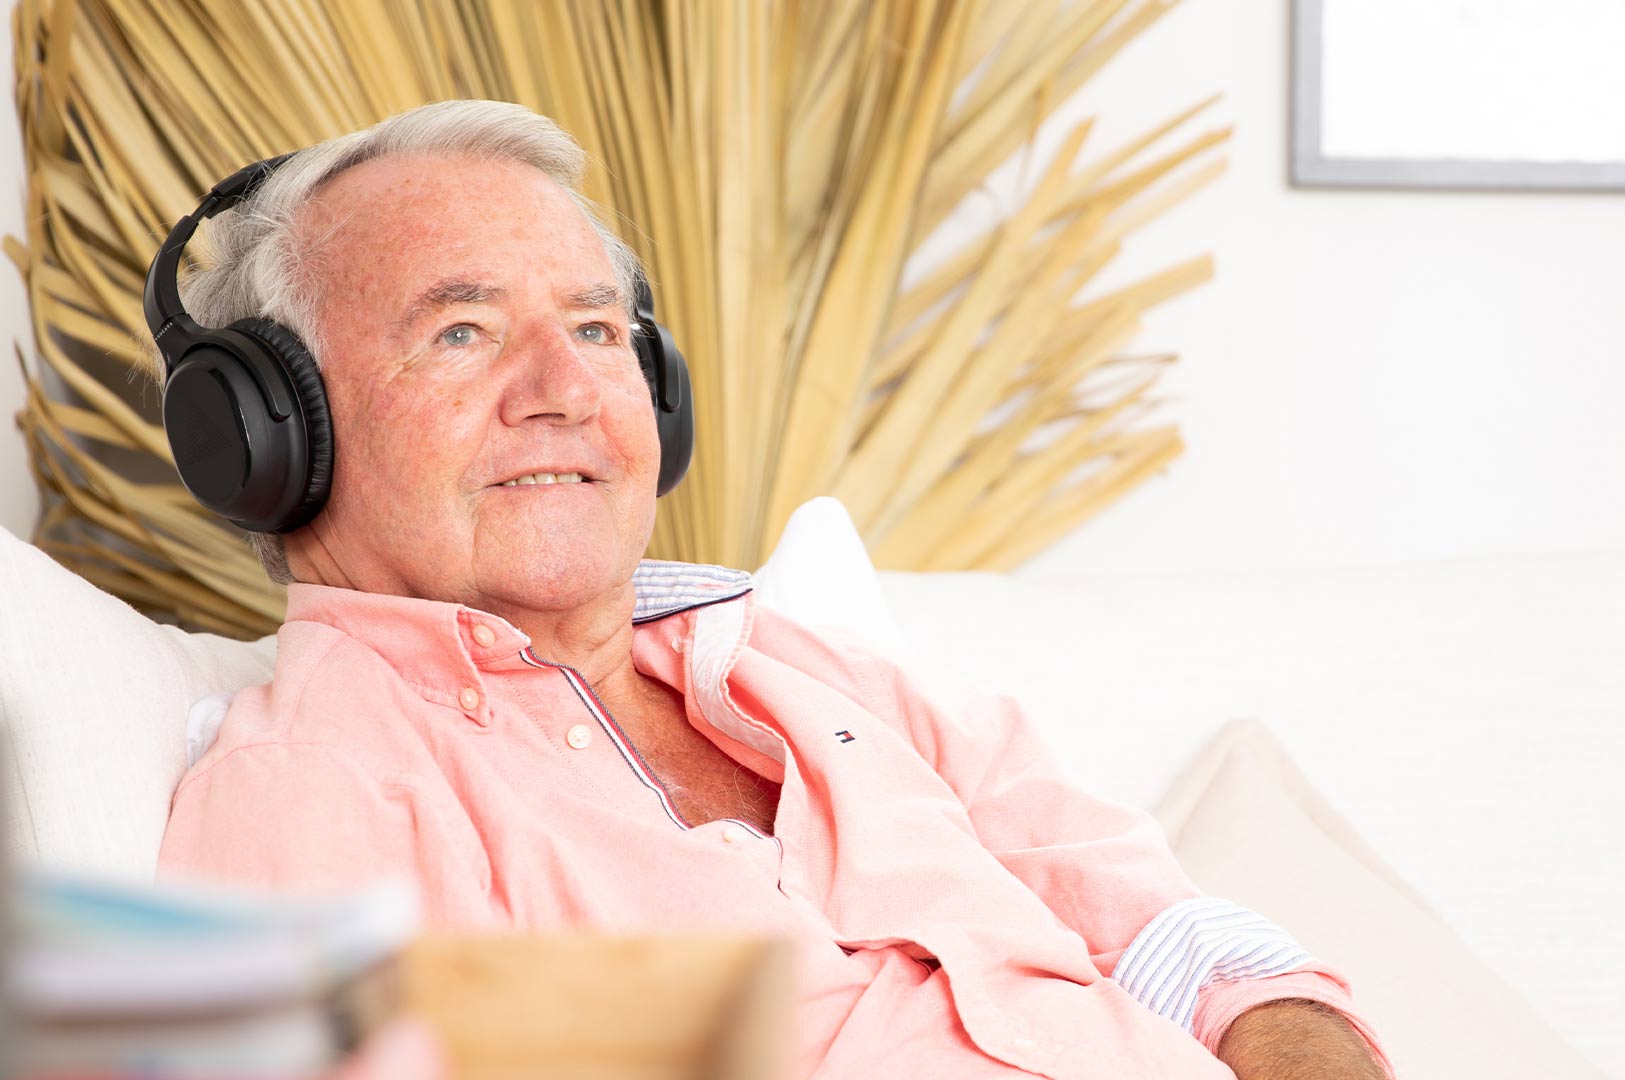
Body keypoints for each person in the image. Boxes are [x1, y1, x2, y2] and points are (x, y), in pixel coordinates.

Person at [153, 100, 1391, 1079]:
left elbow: (1190, 950)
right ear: (267, 431)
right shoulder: (307, 791)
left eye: (595, 329)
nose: (565, 390)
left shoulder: (821, 673)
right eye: (461, 333)